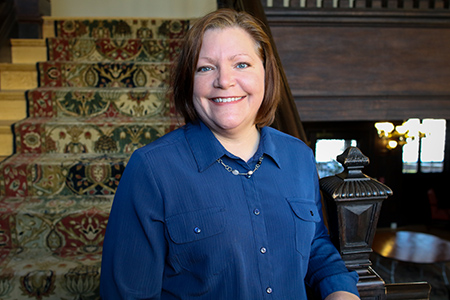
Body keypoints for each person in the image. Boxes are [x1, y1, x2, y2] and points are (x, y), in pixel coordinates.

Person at [100, 8, 360, 300]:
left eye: (241, 64)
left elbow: (314, 245)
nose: (224, 81)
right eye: (206, 67)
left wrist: (340, 289)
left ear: (266, 73)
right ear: (189, 81)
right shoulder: (151, 169)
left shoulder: (298, 156)